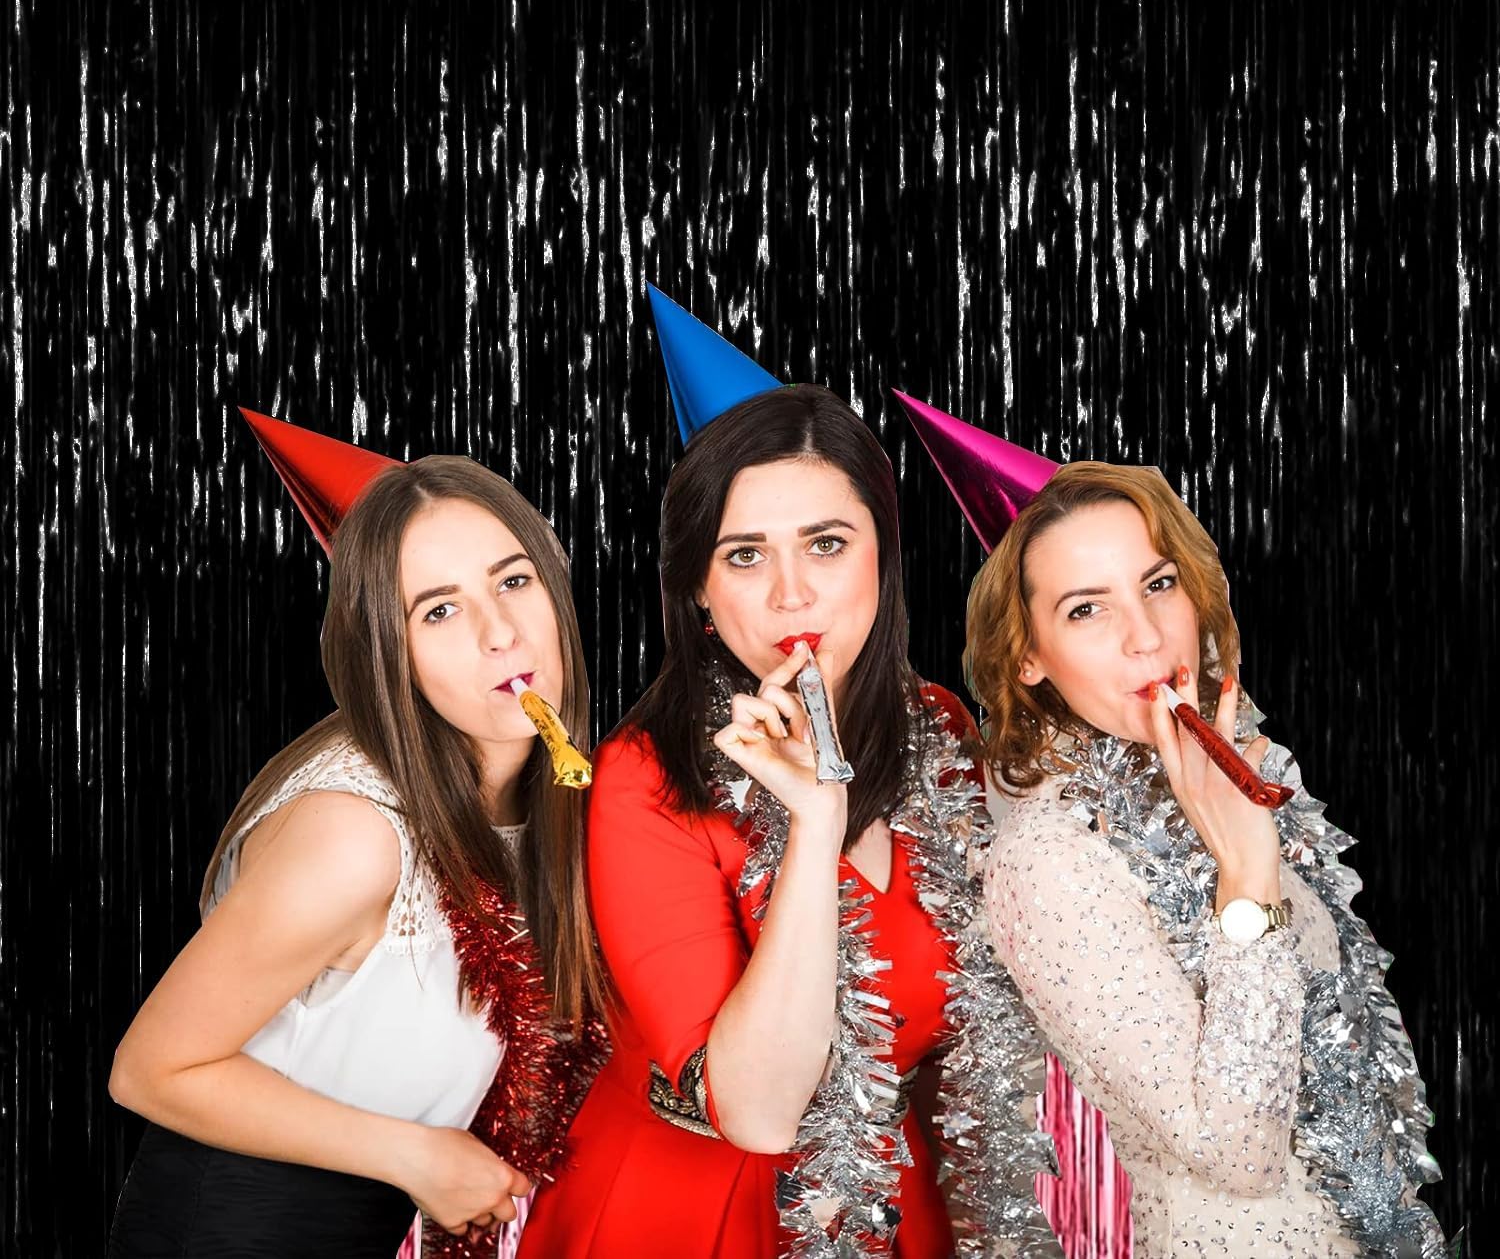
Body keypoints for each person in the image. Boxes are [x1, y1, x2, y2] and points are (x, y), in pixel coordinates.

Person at [520, 290, 1027, 1259]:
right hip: (687, 1218)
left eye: (826, 545)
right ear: (700, 594)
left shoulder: (941, 732)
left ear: (883, 556)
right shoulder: (642, 782)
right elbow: (756, 1111)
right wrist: (814, 824)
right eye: (745, 555)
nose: (792, 595)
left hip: (884, 1207)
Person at [108, 420, 606, 1259]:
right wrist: (420, 1159)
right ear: (388, 652)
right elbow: (150, 1070)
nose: (499, 633)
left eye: (514, 581)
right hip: (236, 1230)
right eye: (439, 610)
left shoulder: (557, 789)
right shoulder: (355, 834)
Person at [959, 456, 1447, 1257]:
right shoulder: (1046, 860)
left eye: (1158, 584)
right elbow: (1239, 1153)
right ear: (1028, 658)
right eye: (1086, 609)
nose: (1147, 637)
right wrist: (1247, 879)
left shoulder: (1223, 777)